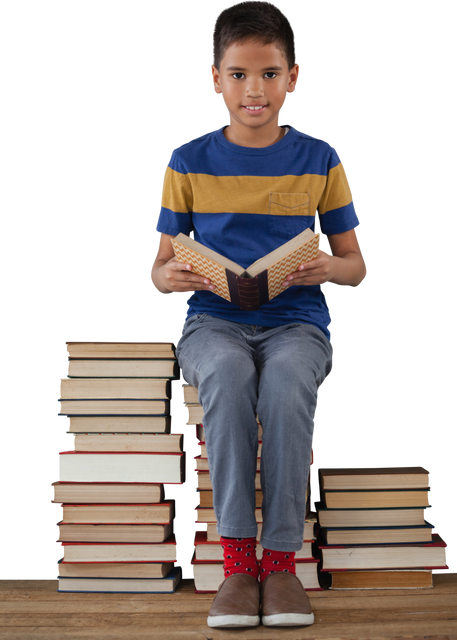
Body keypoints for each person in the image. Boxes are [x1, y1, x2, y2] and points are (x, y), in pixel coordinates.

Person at [149, 0, 368, 629]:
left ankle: (280, 565)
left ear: (294, 77)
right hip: (212, 321)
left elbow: (357, 266)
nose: (255, 90)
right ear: (214, 79)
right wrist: (170, 277)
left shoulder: (322, 157)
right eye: (240, 75)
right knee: (227, 374)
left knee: (288, 383)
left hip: (298, 321)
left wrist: (329, 267)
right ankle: (238, 564)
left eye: (270, 74)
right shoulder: (185, 160)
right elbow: (158, 270)